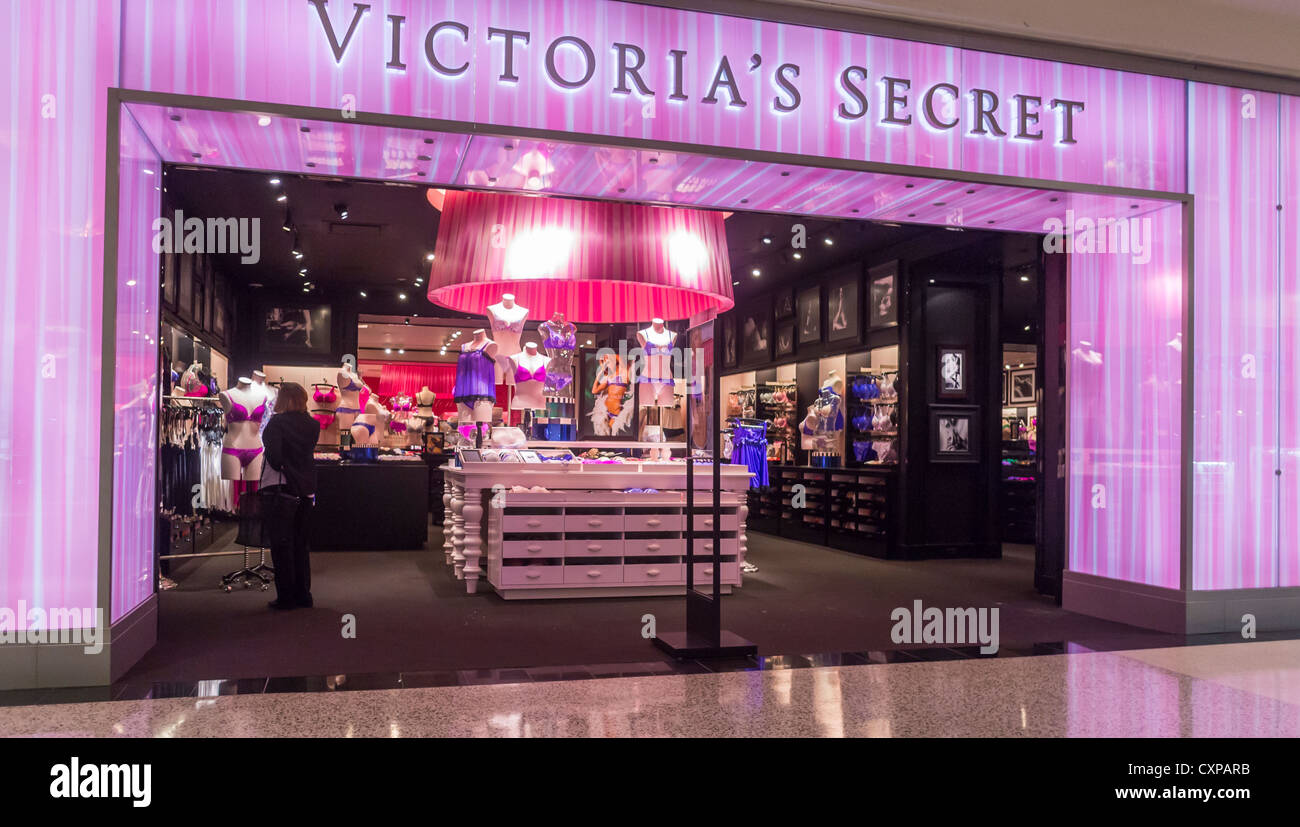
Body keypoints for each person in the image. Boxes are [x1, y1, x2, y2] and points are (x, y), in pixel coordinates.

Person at [259, 382, 319, 609]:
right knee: (301, 542)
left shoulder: (276, 423)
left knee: (281, 543)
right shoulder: (313, 425)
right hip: (305, 487)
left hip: (280, 487)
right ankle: (304, 594)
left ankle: (286, 597)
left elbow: (274, 457)